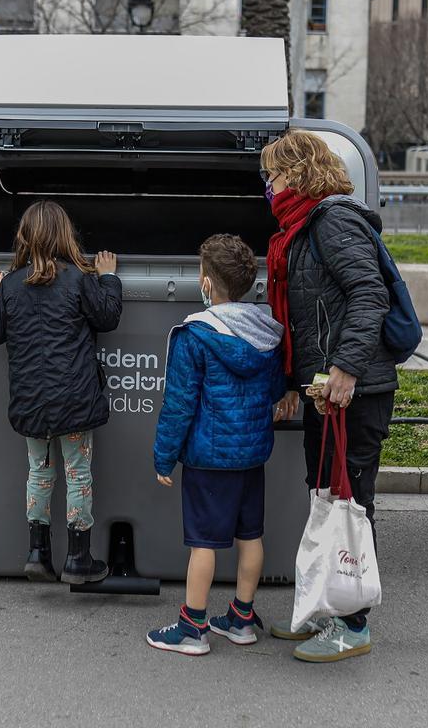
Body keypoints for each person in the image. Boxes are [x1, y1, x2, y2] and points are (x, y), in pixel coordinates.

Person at [263, 130, 397, 663]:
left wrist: (344, 369)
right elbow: (313, 316)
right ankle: (324, 609)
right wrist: (300, 383)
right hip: (327, 391)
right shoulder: (301, 228)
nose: (268, 185)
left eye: (272, 175)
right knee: (325, 497)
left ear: (297, 173)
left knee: (350, 502)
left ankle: (353, 623)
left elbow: (370, 295)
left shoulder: (333, 221)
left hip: (354, 390)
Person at [146, 234, 286, 656]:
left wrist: (164, 456)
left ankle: (193, 627)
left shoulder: (196, 336)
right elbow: (276, 387)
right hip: (252, 456)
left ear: (206, 283)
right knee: (250, 536)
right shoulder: (266, 332)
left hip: (209, 459)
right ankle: (243, 619)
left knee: (204, 543)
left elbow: (179, 404)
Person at [0, 200, 123, 585]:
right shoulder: (77, 279)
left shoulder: (10, 284)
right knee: (78, 474)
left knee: (39, 474)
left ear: (24, 238)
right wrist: (108, 277)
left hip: (31, 403)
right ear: (64, 236)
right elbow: (107, 316)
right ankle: (78, 559)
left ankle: (38, 554)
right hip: (74, 401)